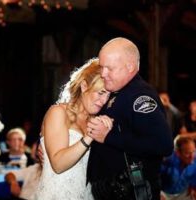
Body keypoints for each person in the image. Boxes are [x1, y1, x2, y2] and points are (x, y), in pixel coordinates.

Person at [86, 37, 174, 200]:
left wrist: (109, 137)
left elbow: (163, 145)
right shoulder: (117, 90)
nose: (103, 74)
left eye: (109, 68)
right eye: (102, 67)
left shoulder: (140, 97)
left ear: (130, 67)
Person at [35, 58, 112, 199]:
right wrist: (89, 136)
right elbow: (58, 165)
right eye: (101, 93)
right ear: (84, 86)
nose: (103, 101)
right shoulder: (58, 112)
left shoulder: (97, 121)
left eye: (108, 95)